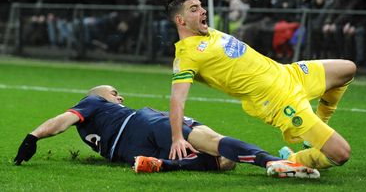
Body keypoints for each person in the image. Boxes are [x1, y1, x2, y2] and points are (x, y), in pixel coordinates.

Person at [134, 0, 356, 174]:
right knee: (341, 153)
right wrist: (177, 137)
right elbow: (177, 99)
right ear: (181, 22)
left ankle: (314, 134)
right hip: (279, 101)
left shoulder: (203, 30)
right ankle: (292, 159)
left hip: (288, 73)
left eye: (200, 6)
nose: (202, 11)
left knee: (348, 69)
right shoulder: (187, 56)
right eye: (194, 9)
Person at [14, 85, 319, 178]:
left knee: (223, 162)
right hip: (147, 124)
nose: (120, 96)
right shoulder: (92, 102)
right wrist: (33, 136)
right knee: (213, 141)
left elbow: (66, 123)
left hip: (130, 152)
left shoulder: (95, 125)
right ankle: (272, 161)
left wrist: (33, 138)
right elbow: (61, 120)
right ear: (99, 94)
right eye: (115, 92)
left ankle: (164, 165)